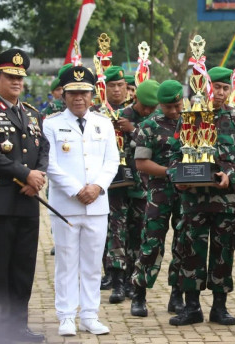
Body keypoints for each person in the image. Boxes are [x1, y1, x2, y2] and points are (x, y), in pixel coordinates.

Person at [0, 48, 49, 342]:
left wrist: (37, 176)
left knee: (22, 268)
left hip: (27, 201)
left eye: (20, 77)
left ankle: (19, 326)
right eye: (10, 76)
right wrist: (24, 174)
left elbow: (43, 149)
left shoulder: (32, 113)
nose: (16, 82)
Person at [169, 66, 235, 326]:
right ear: (206, 87)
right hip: (193, 200)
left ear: (231, 90)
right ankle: (192, 307)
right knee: (190, 251)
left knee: (222, 253)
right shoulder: (189, 116)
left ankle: (220, 307)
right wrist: (178, 180)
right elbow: (174, 154)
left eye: (225, 88)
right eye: (216, 87)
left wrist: (230, 174)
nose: (220, 92)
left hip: (224, 200)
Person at [43, 65, 119, 336]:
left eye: (84, 93)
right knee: (66, 262)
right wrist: (78, 190)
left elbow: (112, 161)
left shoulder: (104, 123)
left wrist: (97, 187)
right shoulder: (51, 124)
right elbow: (50, 164)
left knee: (92, 263)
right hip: (66, 205)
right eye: (73, 92)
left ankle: (89, 315)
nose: (79, 98)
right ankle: (65, 316)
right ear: (63, 95)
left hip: (97, 206)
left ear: (93, 95)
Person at [130, 80, 185, 317]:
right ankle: (139, 294)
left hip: (187, 192)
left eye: (177, 105)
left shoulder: (192, 121)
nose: (173, 111)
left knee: (184, 243)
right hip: (159, 191)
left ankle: (178, 295)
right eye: (168, 107)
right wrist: (169, 172)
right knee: (152, 242)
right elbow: (141, 163)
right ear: (159, 104)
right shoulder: (148, 126)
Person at [109, 79, 160, 301]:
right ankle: (117, 282)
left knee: (138, 233)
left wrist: (134, 130)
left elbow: (157, 143)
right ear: (135, 97)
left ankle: (132, 280)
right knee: (117, 231)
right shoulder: (119, 115)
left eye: (152, 107)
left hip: (143, 186)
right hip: (118, 185)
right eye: (144, 105)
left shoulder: (156, 119)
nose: (148, 110)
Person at [100, 65, 134, 294]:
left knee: (133, 230)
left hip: (134, 181)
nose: (116, 89)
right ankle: (112, 274)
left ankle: (129, 277)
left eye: (120, 85)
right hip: (106, 181)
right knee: (109, 228)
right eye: (111, 85)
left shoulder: (135, 111)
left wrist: (132, 129)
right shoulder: (96, 112)